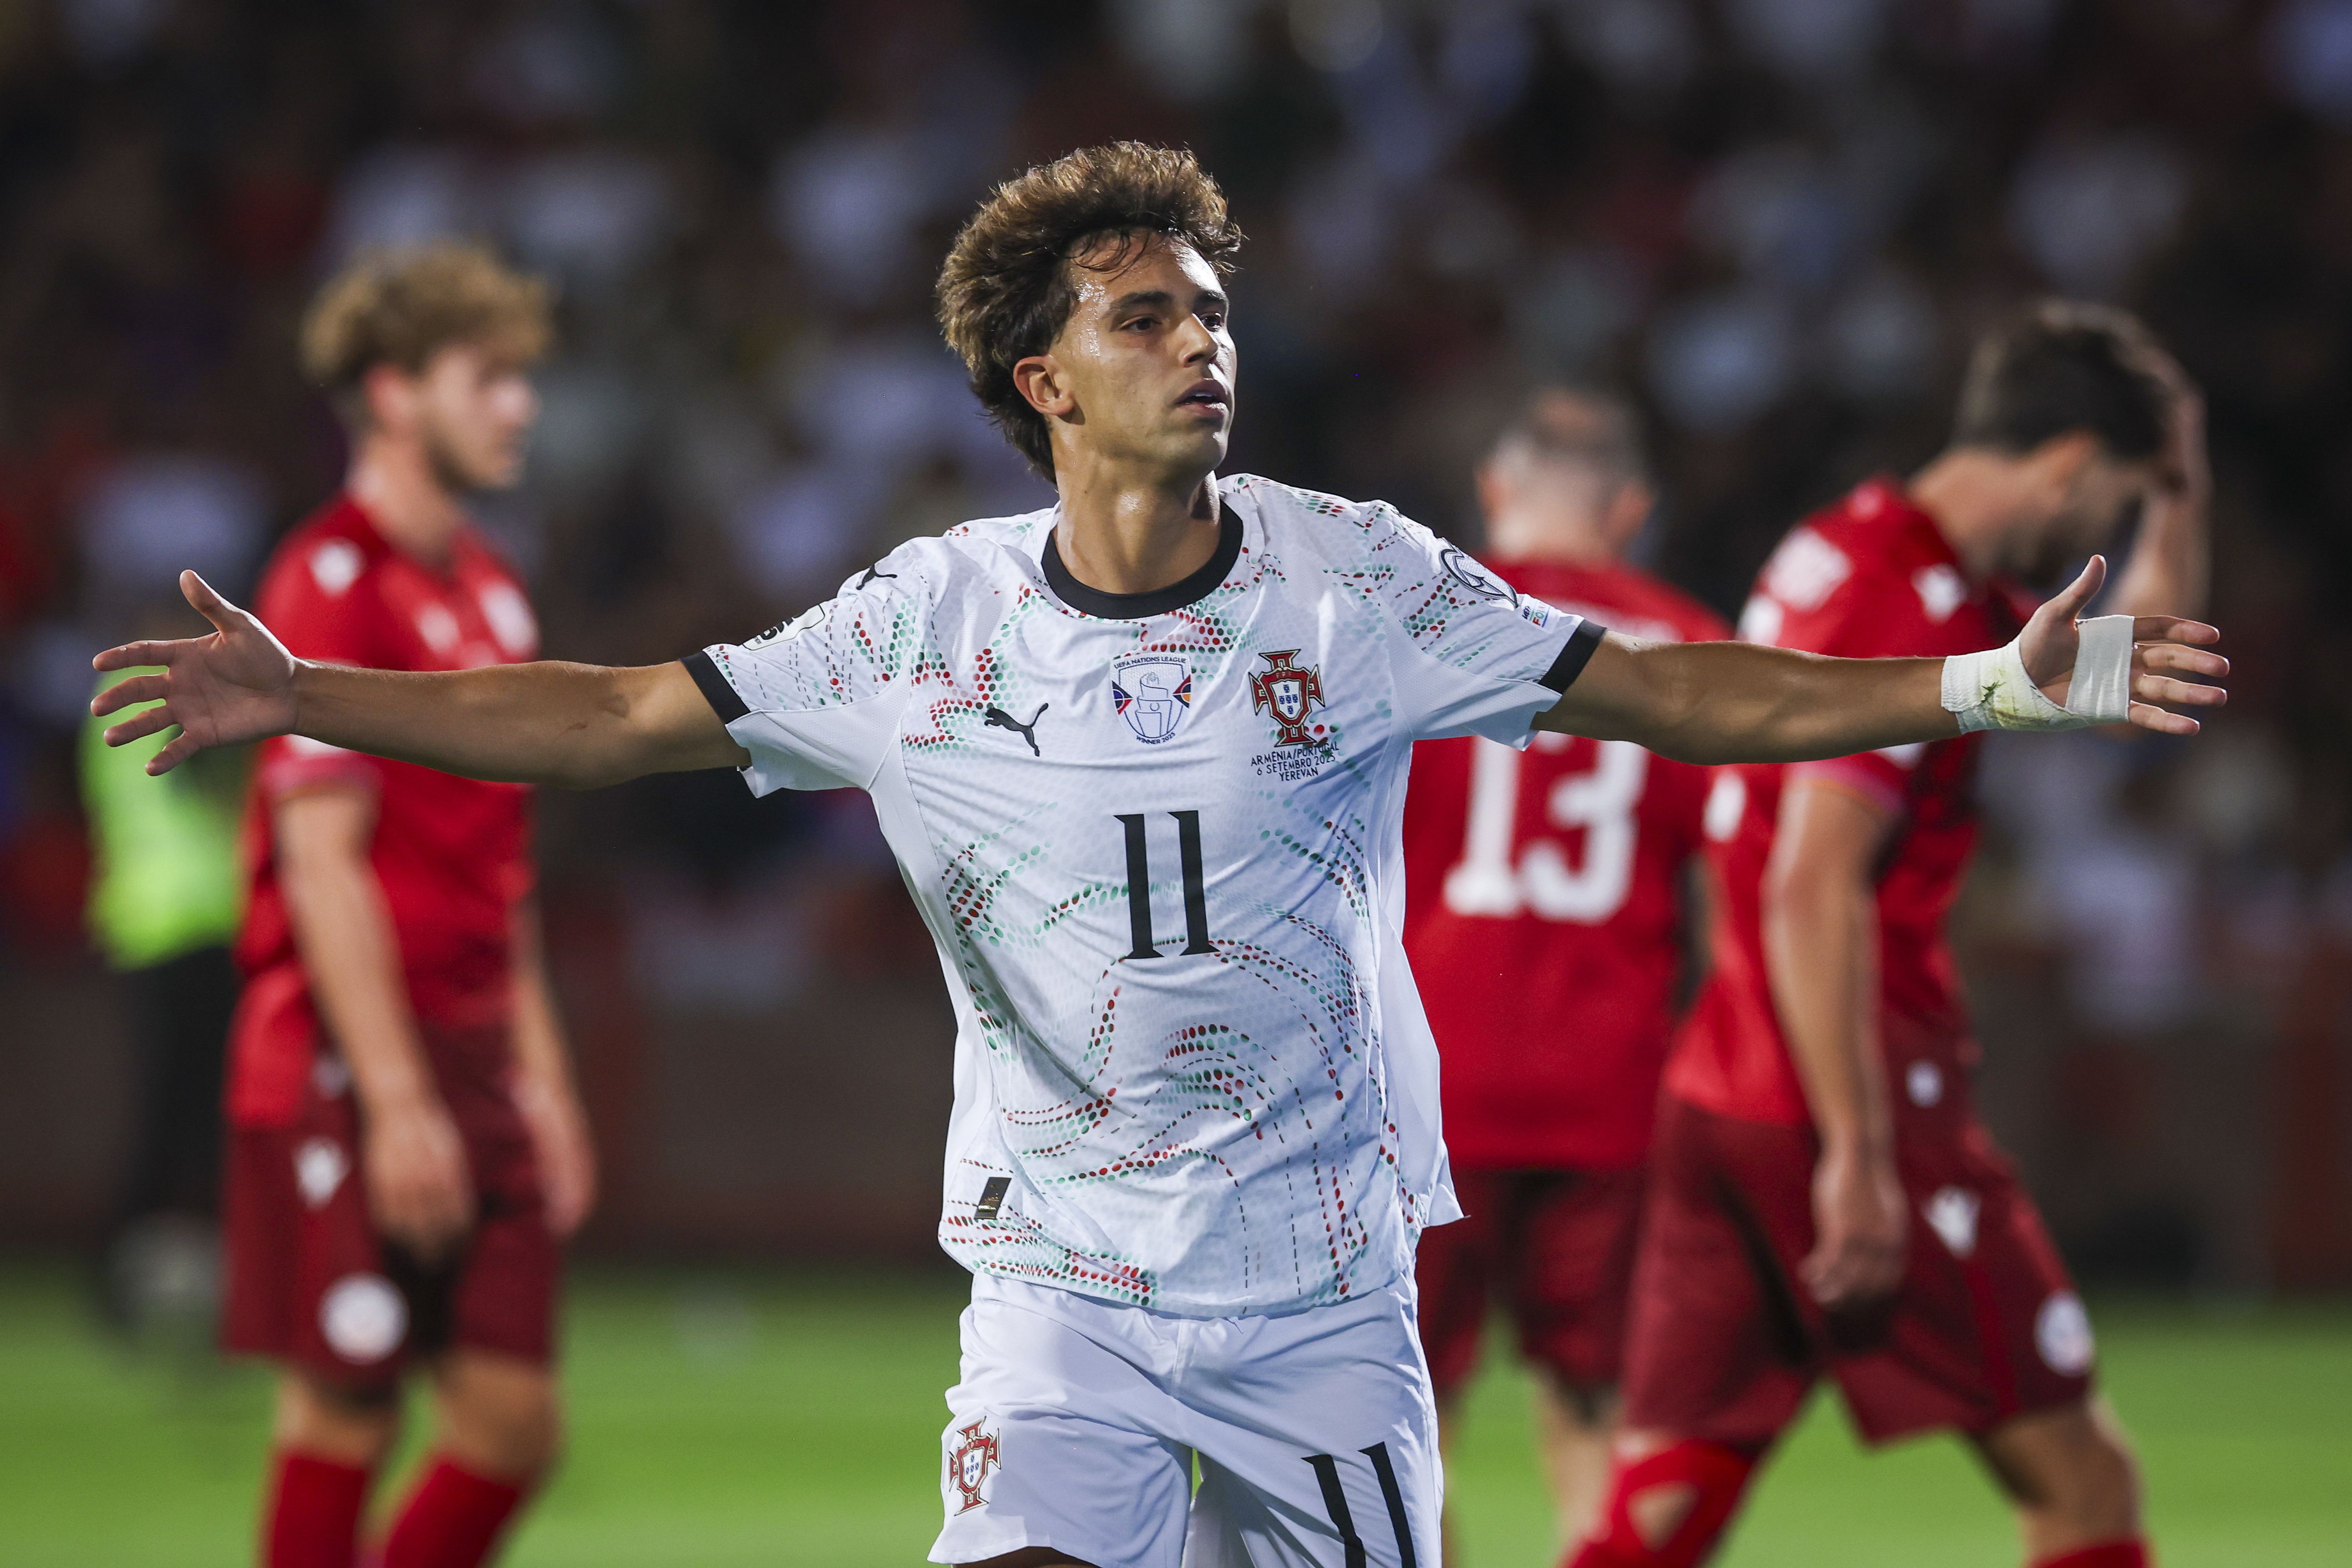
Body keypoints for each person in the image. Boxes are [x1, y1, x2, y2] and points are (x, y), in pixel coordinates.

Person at [93, 147, 2222, 1568]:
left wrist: (1981, 686)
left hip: (1317, 1285)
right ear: (1042, 377)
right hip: (1063, 1294)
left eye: (1209, 310)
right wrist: (312, 694)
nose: (1201, 340)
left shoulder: (1353, 580)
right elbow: (614, 715)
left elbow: (1675, 693)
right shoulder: (925, 626)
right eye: (1144, 317)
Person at [1564, 303, 2211, 1568]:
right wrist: (1856, 1149)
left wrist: (2179, 482)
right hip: (1849, 1086)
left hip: (1726, 1075)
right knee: (2085, 1483)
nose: (2105, 531)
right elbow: (1815, 880)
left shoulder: (1856, 549)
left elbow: (2151, 680)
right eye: (2118, 500)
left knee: (1667, 1496)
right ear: (2069, 463)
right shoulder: (1908, 597)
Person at [211, 244, 597, 1568]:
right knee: (347, 1396)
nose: (520, 407)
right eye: (488, 377)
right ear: (392, 392)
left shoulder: (491, 587)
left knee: (511, 1424)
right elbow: (323, 860)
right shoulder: (328, 582)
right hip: (348, 1056)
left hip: (475, 1048)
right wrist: (396, 1097)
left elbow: (507, 868)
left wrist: (539, 1074)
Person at [1399, 389, 1725, 1548]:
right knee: (1597, 1415)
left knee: (1403, 1416)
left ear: (1495, 487)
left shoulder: (1417, 619)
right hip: (1612, 1088)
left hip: (1425, 1084)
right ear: (1630, 507)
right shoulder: (1687, 643)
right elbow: (1726, 898)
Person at [80, 620, 247, 1332]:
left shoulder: (98, 707)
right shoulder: (185, 701)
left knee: (160, 1113)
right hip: (206, 919)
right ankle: (218, 1282)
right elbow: (208, 794)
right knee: (210, 1116)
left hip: (141, 922)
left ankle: (120, 1282)